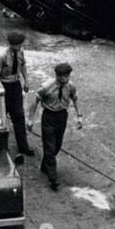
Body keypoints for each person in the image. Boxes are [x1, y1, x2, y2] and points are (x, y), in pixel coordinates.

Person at [28, 61, 82, 191]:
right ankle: (53, 178)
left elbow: (75, 99)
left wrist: (79, 116)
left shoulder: (70, 86)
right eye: (62, 76)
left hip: (62, 116)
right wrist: (30, 119)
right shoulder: (46, 87)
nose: (65, 79)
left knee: (57, 145)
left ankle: (45, 166)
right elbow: (35, 102)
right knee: (50, 147)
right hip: (49, 117)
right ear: (57, 75)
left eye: (67, 76)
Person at [0, 31, 34, 163]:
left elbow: (22, 66)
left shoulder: (21, 52)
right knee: (1, 117)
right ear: (11, 44)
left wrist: (26, 80)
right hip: (4, 87)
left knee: (19, 115)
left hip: (16, 86)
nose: (19, 47)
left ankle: (23, 147)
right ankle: (0, 147)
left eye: (20, 45)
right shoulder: (1, 56)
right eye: (17, 45)